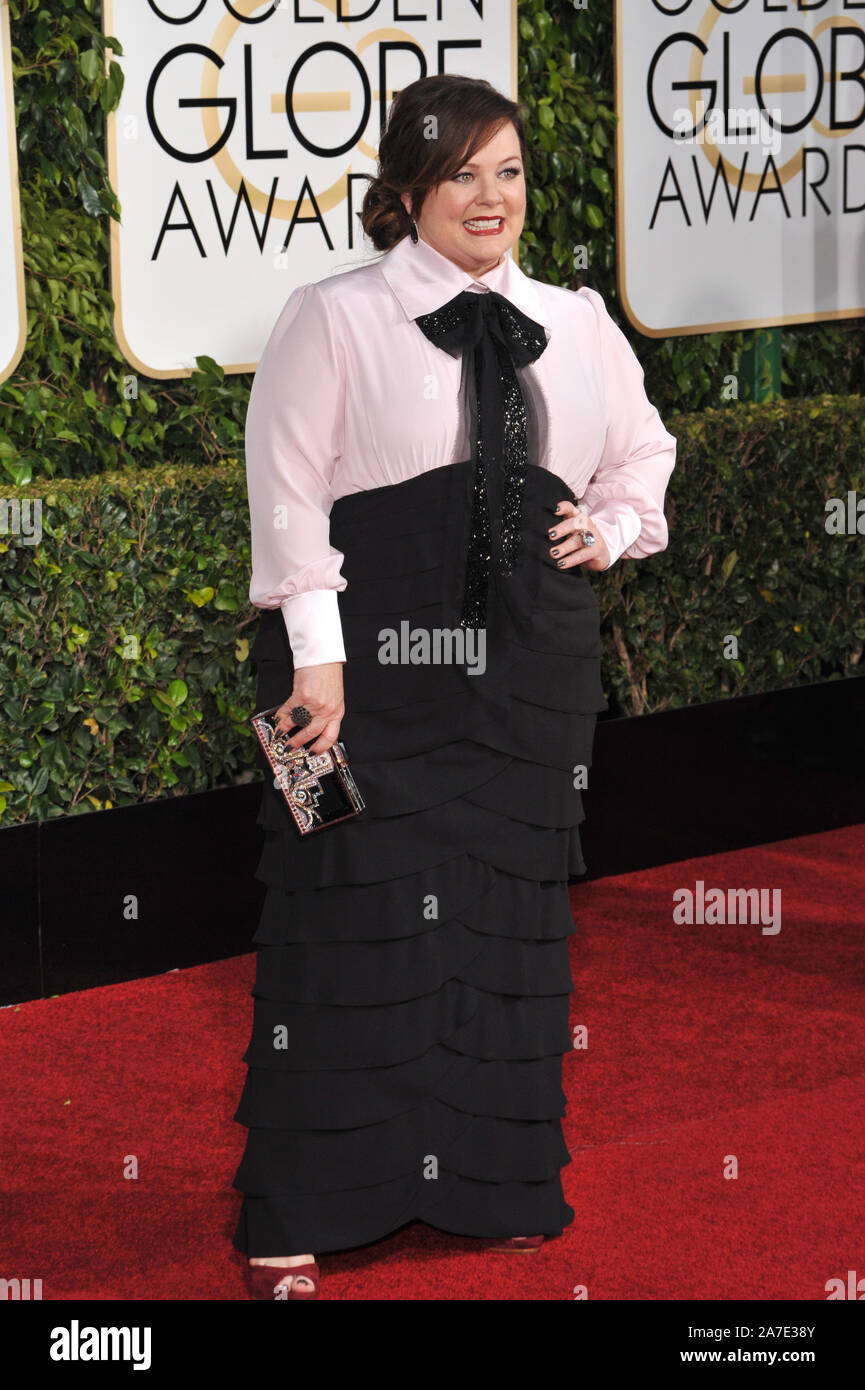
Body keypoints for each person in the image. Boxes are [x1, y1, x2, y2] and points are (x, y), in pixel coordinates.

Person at [232, 73, 676, 1301]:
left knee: (502, 924)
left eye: (509, 171)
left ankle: (491, 1178)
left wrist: (612, 525)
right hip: (352, 676)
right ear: (408, 189)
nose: (491, 197)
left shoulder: (574, 320)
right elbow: (286, 492)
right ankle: (299, 1207)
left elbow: (644, 451)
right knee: (338, 918)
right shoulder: (333, 315)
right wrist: (316, 661)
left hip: (529, 675)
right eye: (461, 173)